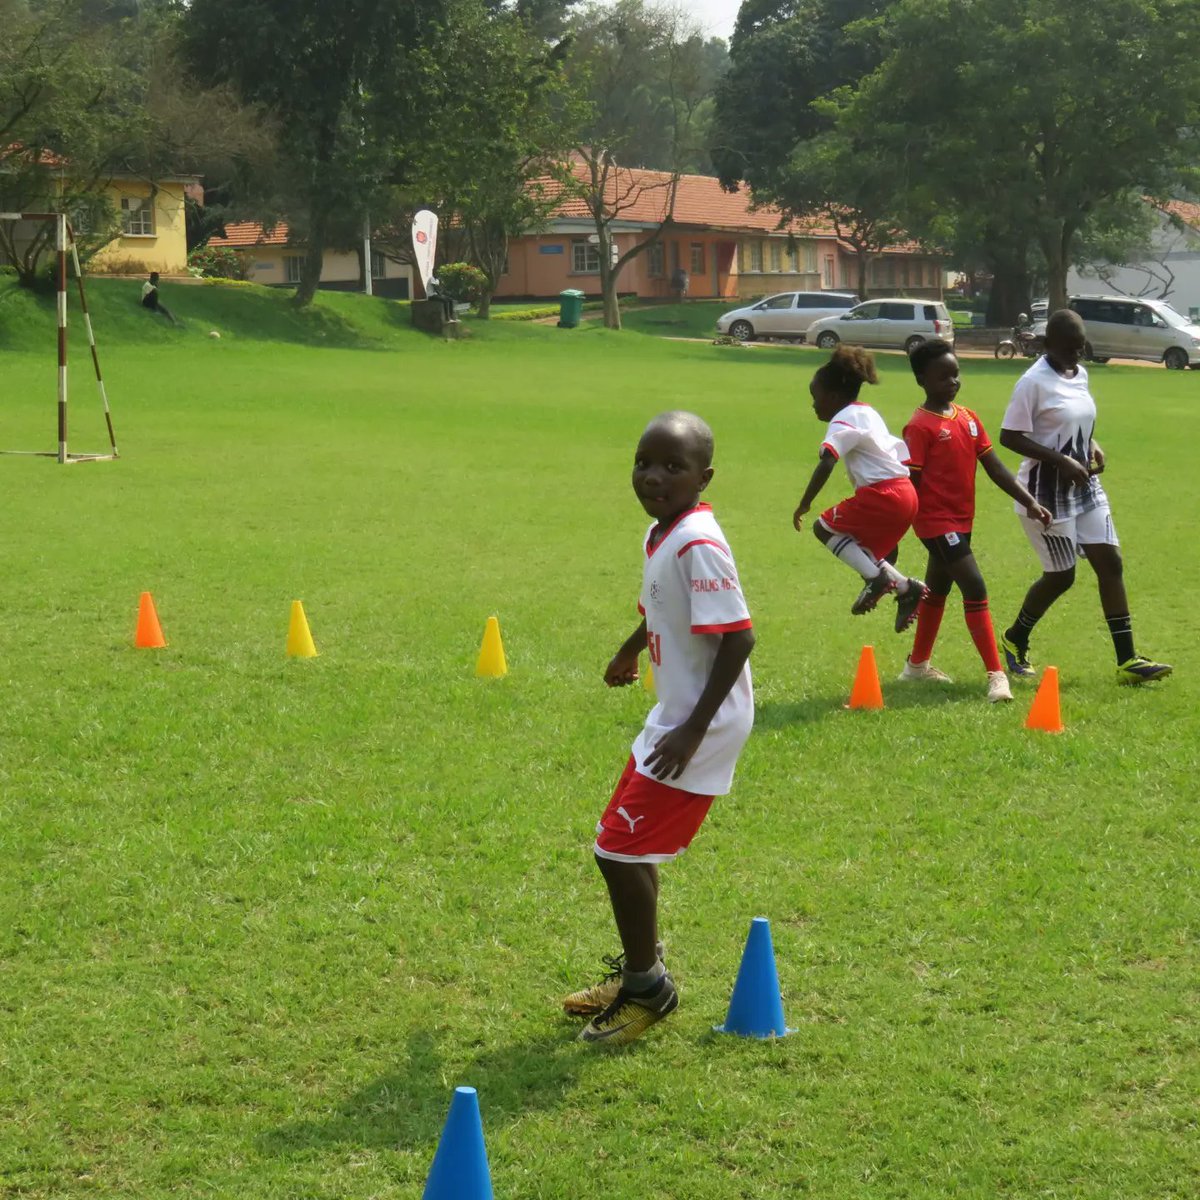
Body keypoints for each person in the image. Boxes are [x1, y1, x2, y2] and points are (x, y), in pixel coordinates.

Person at [565, 411, 755, 1046]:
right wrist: (631, 649)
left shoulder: (699, 542)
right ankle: (642, 966)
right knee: (621, 843)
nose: (654, 476)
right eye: (644, 462)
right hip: (671, 717)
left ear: (704, 477)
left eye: (673, 467)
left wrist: (694, 732)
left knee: (616, 849)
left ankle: (648, 988)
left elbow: (738, 638)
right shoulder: (661, 532)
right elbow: (659, 607)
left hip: (700, 723)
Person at [998, 309, 1172, 684]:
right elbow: (1009, 436)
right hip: (1045, 492)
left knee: (1111, 564)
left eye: (1081, 347)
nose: (1079, 354)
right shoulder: (1033, 382)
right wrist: (1060, 459)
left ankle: (1127, 661)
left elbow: (1073, 419)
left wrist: (1093, 444)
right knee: (1061, 577)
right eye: (1071, 348)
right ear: (1049, 345)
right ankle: (1015, 638)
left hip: (1085, 485)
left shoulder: (1081, 373)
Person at [900, 340, 1053, 703]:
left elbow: (995, 467)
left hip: (962, 520)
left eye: (956, 374)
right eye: (943, 376)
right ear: (922, 379)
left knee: (938, 590)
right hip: (935, 522)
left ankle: (916, 667)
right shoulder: (919, 427)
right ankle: (997, 676)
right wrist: (895, 529)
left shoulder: (967, 418)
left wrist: (1029, 501)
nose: (952, 381)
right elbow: (911, 485)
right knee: (975, 587)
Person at [792, 344, 927, 631]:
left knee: (823, 528)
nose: (814, 405)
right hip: (906, 494)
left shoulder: (842, 419)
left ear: (834, 396)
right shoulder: (868, 413)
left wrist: (804, 503)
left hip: (885, 493)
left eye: (816, 398)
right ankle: (906, 589)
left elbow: (827, 461)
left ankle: (875, 579)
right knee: (857, 546)